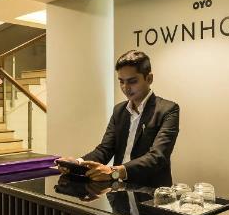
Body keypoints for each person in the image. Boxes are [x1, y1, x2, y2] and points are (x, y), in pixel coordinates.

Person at [58, 50, 180, 187]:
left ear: (149, 79)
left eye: (132, 81)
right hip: (119, 189)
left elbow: (158, 156)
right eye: (121, 81)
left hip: (151, 191)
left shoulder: (168, 109)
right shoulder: (119, 110)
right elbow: (105, 149)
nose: (125, 88)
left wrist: (114, 172)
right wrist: (78, 163)